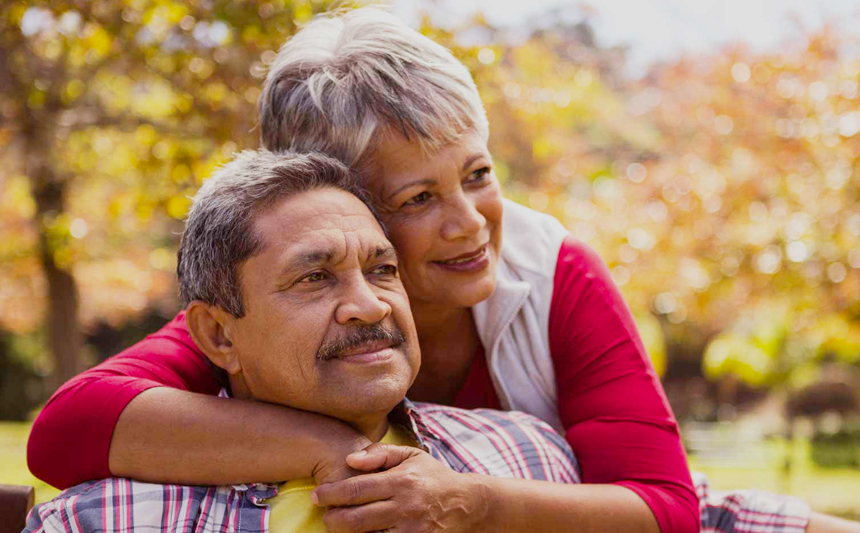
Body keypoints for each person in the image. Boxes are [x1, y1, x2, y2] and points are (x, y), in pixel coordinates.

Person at [27, 7, 860, 533]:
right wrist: (341, 447)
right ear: (336, 200)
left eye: (479, 173)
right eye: (418, 196)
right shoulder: (272, 304)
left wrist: (464, 498)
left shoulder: (549, 270)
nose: (469, 222)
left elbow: (669, 505)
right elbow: (67, 429)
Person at [25, 149, 581, 533]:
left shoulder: (527, 458)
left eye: (382, 269)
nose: (370, 304)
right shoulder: (107, 521)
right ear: (219, 335)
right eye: (314, 278)